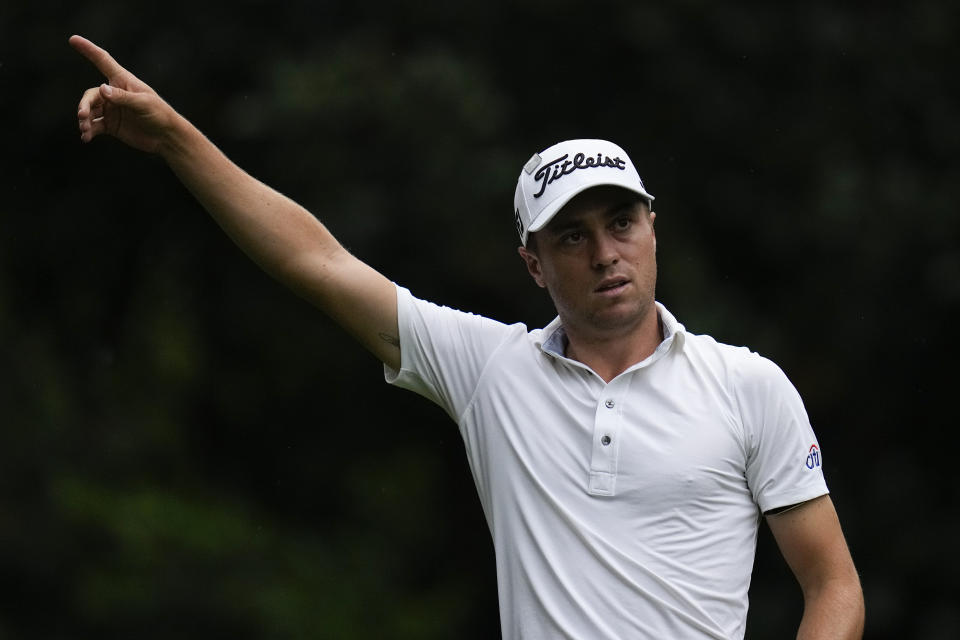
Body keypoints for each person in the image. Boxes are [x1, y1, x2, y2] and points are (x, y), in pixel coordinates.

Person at [70, 34, 865, 639]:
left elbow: (832, 585)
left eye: (622, 222)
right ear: (533, 264)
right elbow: (315, 260)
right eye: (571, 237)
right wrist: (176, 136)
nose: (604, 253)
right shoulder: (492, 370)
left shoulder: (747, 385)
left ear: (652, 226)